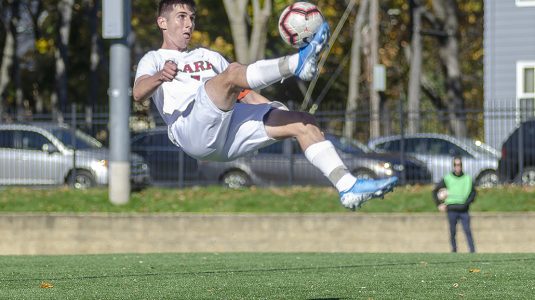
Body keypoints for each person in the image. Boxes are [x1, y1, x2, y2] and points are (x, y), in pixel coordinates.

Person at [133, 0, 398, 210]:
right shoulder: (154, 58)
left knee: (303, 122)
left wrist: (277, 112)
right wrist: (159, 76)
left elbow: (244, 93)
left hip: (226, 132)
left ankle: (347, 186)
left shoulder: (208, 55)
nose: (188, 23)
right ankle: (296, 63)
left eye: (192, 17)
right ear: (162, 22)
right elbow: (138, 93)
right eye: (181, 17)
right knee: (231, 74)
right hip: (190, 128)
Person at [432, 156, 476, 253]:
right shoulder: (447, 178)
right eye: (456, 165)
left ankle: (472, 251)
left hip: (464, 209)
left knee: (467, 231)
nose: (458, 167)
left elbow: (473, 193)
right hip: (451, 209)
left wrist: (466, 203)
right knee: (452, 232)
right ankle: (454, 250)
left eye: (459, 165)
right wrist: (439, 204)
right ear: (453, 166)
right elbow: (435, 191)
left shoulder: (467, 178)